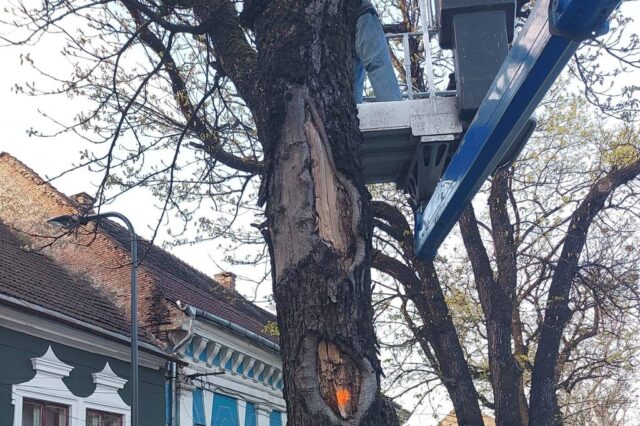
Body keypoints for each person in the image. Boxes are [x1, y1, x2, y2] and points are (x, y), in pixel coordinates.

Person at [353, 0, 402, 103]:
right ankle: (394, 109)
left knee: (352, 76)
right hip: (360, 14)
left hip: (358, 15)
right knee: (378, 65)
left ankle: (393, 107)